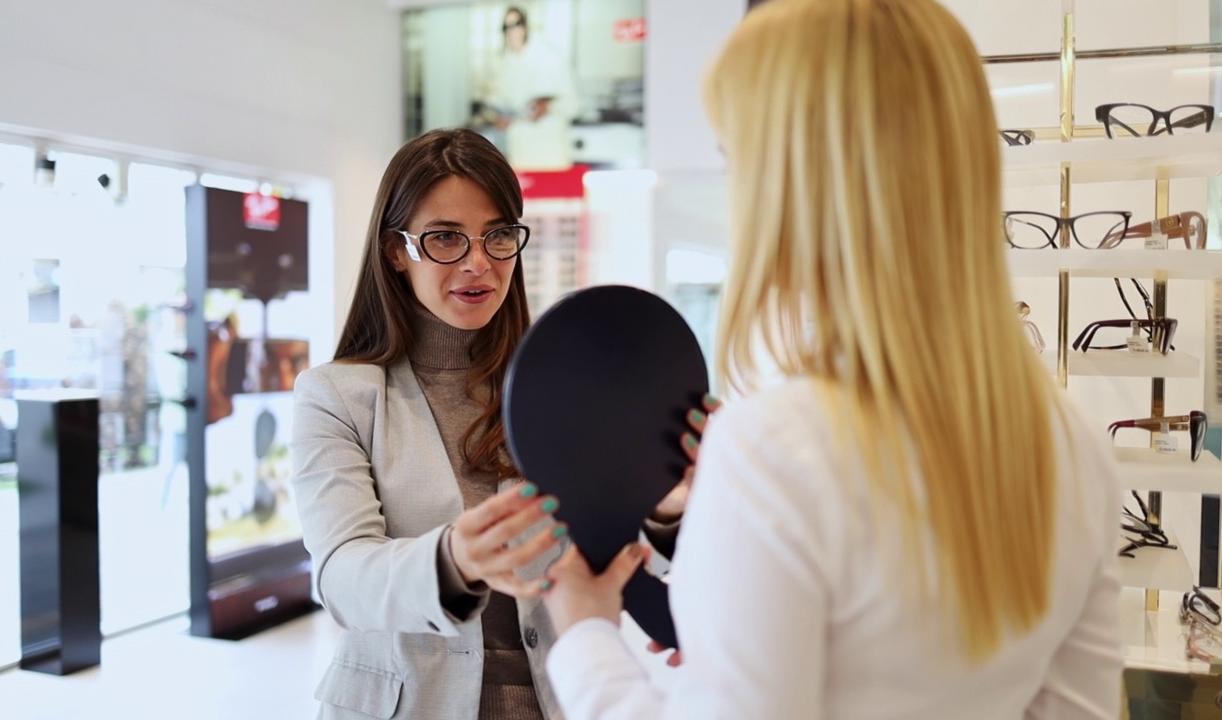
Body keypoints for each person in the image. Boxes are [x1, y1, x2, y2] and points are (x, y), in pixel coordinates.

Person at [539, 1, 1124, 719]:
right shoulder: (1074, 447)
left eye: (735, 162)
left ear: (797, 183)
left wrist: (584, 635)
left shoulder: (777, 449)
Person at [289, 128, 685, 720]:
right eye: (445, 237)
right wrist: (455, 559)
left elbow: (614, 560)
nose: (478, 262)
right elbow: (342, 575)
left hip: (552, 700)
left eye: (497, 235)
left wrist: (669, 511)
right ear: (397, 251)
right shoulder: (337, 396)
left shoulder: (563, 389)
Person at [480, 6, 579, 171]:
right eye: (507, 27)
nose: (512, 31)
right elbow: (495, 105)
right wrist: (498, 118)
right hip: (521, 155)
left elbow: (573, 104)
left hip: (551, 155)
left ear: (525, 26)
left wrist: (547, 106)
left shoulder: (550, 58)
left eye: (516, 24)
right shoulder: (503, 66)